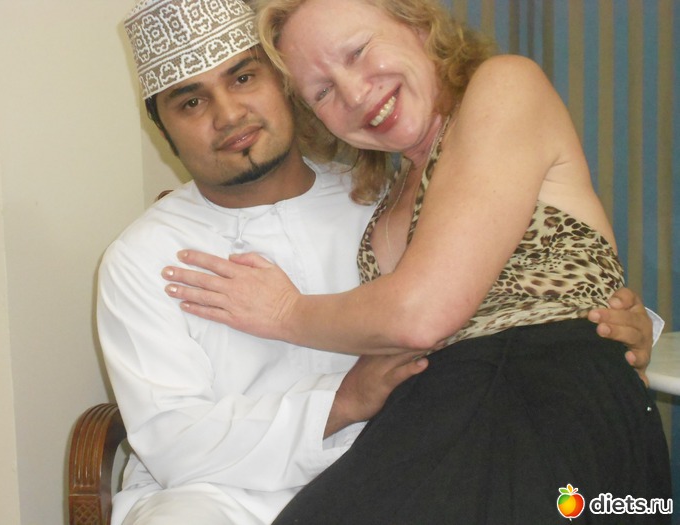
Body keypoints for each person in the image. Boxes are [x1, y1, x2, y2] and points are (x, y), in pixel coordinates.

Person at [160, 0, 672, 522]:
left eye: (358, 52)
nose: (355, 94)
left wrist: (284, 311)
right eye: (323, 91)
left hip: (538, 411)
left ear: (418, 24)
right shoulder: (380, 192)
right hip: (431, 418)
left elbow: (423, 313)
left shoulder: (506, 84)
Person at [99, 1, 433, 524]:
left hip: (390, 470)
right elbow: (173, 442)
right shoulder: (142, 258)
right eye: (191, 102)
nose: (229, 114)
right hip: (215, 498)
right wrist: (341, 402)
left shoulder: (380, 202)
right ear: (164, 132)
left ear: (284, 84)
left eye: (244, 77)